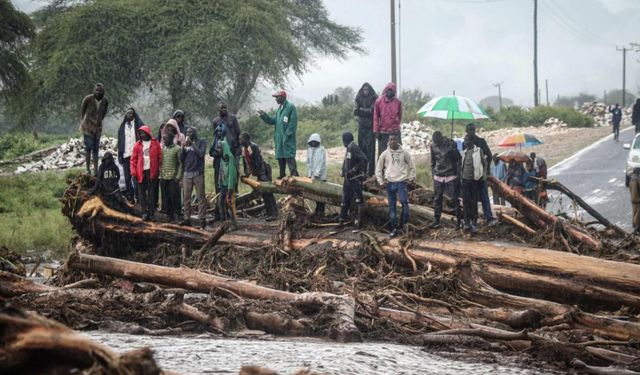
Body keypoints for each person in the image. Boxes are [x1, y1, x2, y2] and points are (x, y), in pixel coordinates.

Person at [376, 134, 416, 237]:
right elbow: (378, 168)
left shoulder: (404, 153)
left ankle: (405, 226)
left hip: (402, 183)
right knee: (392, 207)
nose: (392, 141)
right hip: (390, 183)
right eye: (390, 139)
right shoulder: (385, 154)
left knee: (405, 204)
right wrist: (381, 181)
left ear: (397, 140)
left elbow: (412, 166)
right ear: (388, 141)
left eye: (394, 139)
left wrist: (411, 178)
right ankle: (394, 229)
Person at [210, 102, 241, 219]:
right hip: (219, 157)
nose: (224, 109)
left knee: (231, 184)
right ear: (218, 110)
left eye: (225, 107)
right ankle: (219, 213)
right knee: (219, 185)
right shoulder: (215, 121)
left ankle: (231, 215)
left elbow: (238, 134)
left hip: (231, 153)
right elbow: (215, 138)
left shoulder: (232, 118)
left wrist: (237, 151)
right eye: (221, 108)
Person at [258, 90, 298, 178]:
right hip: (279, 141)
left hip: (287, 141)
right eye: (275, 97)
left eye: (277, 97)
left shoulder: (291, 107)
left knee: (290, 158)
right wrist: (264, 116)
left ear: (283, 97)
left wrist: (286, 136)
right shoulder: (279, 109)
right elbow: (273, 121)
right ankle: (282, 176)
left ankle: (295, 177)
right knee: (281, 159)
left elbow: (292, 125)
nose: (276, 99)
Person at [240, 132, 278, 220]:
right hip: (259, 172)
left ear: (247, 139)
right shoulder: (244, 149)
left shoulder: (253, 146)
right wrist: (246, 174)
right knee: (264, 193)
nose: (240, 141)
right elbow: (246, 163)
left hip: (264, 170)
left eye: (241, 139)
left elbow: (258, 162)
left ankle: (274, 214)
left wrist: (261, 175)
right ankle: (269, 213)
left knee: (268, 192)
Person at [466, 123, 497, 226]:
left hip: (480, 175)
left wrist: (485, 170)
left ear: (475, 131)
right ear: (466, 131)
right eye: (469, 130)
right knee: (472, 198)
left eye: (473, 130)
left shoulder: (481, 142)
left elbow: (489, 156)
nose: (471, 132)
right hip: (470, 177)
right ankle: (473, 221)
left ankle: (489, 218)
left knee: (484, 197)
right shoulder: (465, 143)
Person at [429, 131, 461, 228]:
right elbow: (432, 161)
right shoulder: (432, 146)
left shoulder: (450, 143)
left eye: (437, 141)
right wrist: (433, 173)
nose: (436, 143)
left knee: (454, 199)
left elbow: (458, 159)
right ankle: (437, 220)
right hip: (438, 176)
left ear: (441, 138)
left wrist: (458, 173)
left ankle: (459, 221)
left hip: (451, 175)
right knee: (437, 199)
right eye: (434, 142)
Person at [130, 125, 162, 221]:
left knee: (152, 193)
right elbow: (133, 160)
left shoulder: (155, 143)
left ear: (148, 133)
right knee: (142, 193)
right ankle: (144, 212)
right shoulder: (137, 145)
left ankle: (152, 213)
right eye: (141, 133)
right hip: (141, 172)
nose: (142, 135)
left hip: (152, 172)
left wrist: (158, 170)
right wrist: (133, 173)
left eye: (144, 133)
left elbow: (160, 157)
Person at [339, 131, 368, 229]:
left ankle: (359, 223)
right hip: (348, 179)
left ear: (346, 139)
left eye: (343, 139)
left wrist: (354, 170)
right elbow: (346, 161)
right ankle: (341, 221)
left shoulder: (353, 147)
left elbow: (364, 159)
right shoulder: (348, 148)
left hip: (355, 179)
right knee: (345, 200)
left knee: (359, 200)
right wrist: (343, 170)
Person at [180, 127, 207, 228]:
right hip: (187, 173)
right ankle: (187, 218)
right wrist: (183, 148)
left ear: (195, 133)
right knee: (186, 198)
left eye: (191, 132)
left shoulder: (201, 142)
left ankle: (202, 219)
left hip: (198, 173)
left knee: (201, 197)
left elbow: (201, 154)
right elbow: (181, 159)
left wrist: (192, 144)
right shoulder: (186, 143)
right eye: (187, 132)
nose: (188, 134)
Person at [80, 83, 109, 175]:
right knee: (88, 148)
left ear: (103, 92)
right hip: (88, 128)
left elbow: (104, 113)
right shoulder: (88, 99)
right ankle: (88, 169)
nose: (98, 92)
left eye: (100, 91)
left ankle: (95, 171)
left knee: (96, 150)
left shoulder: (105, 101)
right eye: (96, 90)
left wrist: (98, 122)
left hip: (97, 129)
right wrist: (84, 122)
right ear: (94, 91)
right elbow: (82, 111)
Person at [460, 134, 486, 234]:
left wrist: (483, 177)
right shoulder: (464, 152)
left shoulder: (478, 151)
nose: (464, 142)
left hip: (475, 181)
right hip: (465, 180)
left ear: (470, 141)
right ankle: (467, 222)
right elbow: (461, 165)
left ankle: (474, 222)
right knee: (466, 202)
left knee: (473, 202)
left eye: (465, 140)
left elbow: (484, 163)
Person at [117, 108, 143, 201]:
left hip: (136, 156)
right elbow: (120, 142)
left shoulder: (138, 125)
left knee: (136, 177)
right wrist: (120, 154)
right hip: (126, 156)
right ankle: (130, 196)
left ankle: (139, 196)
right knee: (127, 177)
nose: (129, 115)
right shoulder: (122, 127)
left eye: (131, 113)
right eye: (127, 113)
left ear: (134, 114)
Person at [354, 82, 378, 176]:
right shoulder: (358, 97)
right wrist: (365, 110)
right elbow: (355, 111)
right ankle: (362, 171)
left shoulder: (374, 97)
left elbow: (373, 111)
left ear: (370, 90)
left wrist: (362, 110)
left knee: (370, 151)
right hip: (361, 126)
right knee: (361, 149)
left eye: (367, 89)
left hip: (370, 127)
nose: (365, 91)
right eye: (364, 89)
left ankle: (370, 172)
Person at [373, 82, 403, 157]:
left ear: (394, 92)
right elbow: (376, 117)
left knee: (397, 152)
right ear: (385, 91)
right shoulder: (379, 102)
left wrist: (396, 126)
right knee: (383, 154)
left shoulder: (398, 102)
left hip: (394, 132)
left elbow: (399, 116)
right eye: (388, 90)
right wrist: (376, 131)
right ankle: (382, 168)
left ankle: (397, 168)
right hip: (383, 132)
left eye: (392, 90)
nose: (390, 92)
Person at [159, 132, 183, 223]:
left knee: (175, 198)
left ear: (171, 139)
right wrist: (161, 175)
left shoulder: (177, 149)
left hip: (173, 178)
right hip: (164, 177)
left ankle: (177, 216)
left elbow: (181, 164)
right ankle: (169, 216)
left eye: (165, 139)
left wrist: (178, 176)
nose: (164, 140)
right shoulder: (163, 149)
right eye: (163, 139)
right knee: (166, 198)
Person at [217, 139, 238, 230]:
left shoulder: (230, 158)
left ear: (224, 148)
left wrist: (230, 189)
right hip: (223, 185)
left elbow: (232, 174)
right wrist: (220, 183)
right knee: (221, 203)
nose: (218, 150)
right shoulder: (222, 158)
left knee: (230, 205)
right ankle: (224, 223)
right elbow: (221, 172)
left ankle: (234, 225)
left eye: (219, 148)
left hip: (230, 186)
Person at [306, 133, 327, 216]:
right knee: (315, 194)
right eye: (312, 142)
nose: (313, 143)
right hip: (312, 177)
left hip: (321, 177)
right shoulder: (309, 150)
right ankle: (317, 209)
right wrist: (309, 175)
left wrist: (316, 175)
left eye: (315, 142)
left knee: (321, 194)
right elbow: (308, 163)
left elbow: (321, 164)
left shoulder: (322, 150)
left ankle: (321, 211)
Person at [629, 167, 640, 234]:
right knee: (637, 214)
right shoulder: (636, 180)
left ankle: (636, 227)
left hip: (634, 200)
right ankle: (636, 228)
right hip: (637, 200)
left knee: (635, 213)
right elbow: (635, 191)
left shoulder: (633, 179)